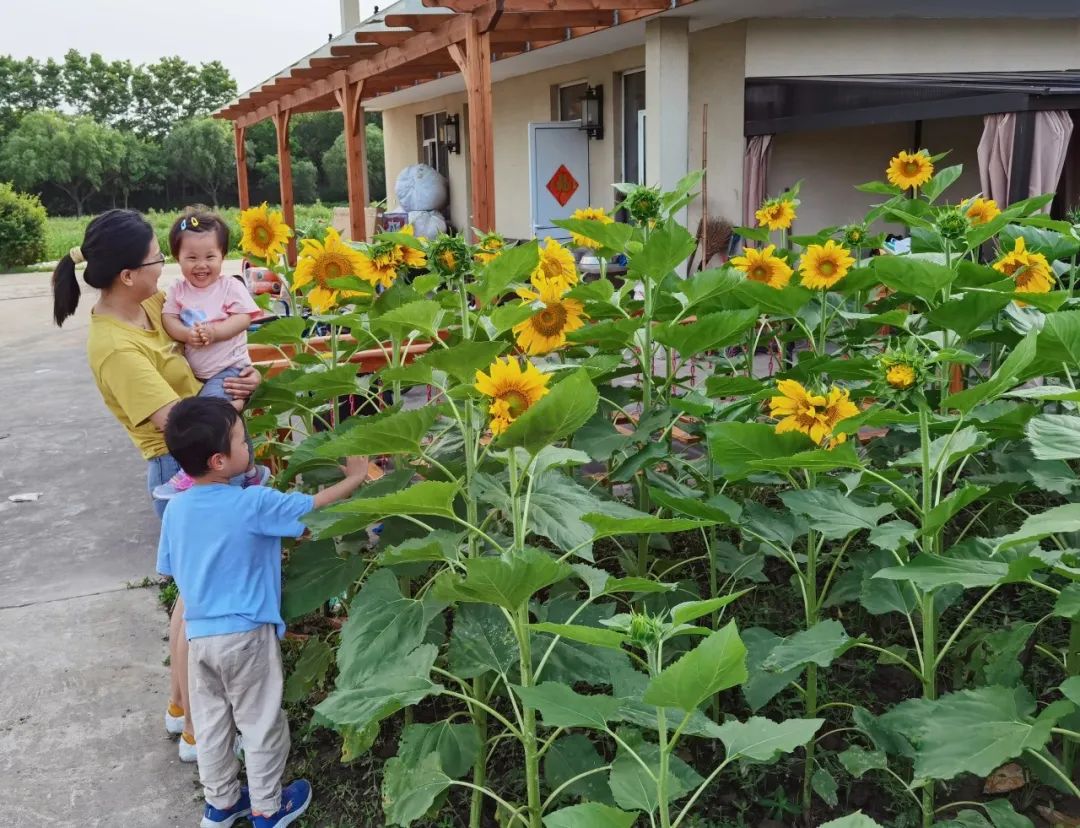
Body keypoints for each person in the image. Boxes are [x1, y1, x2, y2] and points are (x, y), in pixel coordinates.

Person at [51, 209, 262, 762]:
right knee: (202, 603)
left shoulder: (147, 306)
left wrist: (246, 369)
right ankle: (198, 730)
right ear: (127, 274)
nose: (165, 266)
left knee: (191, 599)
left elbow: (210, 334)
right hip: (183, 469)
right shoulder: (116, 347)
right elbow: (183, 428)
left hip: (204, 455)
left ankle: (178, 708)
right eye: (156, 258)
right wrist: (239, 399)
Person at [157, 396, 370, 828]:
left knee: (215, 725)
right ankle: (268, 809)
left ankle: (220, 805)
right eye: (241, 439)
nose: (249, 444)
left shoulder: (175, 509)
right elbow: (313, 505)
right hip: (246, 636)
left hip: (200, 638)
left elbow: (170, 569)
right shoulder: (253, 504)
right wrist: (357, 476)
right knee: (260, 723)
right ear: (219, 460)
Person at [155, 206, 267, 499]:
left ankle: (188, 472)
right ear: (177, 257)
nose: (201, 265)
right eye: (191, 257)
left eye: (210, 257)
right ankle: (251, 474)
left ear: (223, 255)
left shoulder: (229, 286)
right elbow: (169, 319)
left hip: (229, 369)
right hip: (197, 374)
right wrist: (186, 334)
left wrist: (216, 332)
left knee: (207, 420)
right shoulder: (178, 289)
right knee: (233, 425)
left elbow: (244, 317)